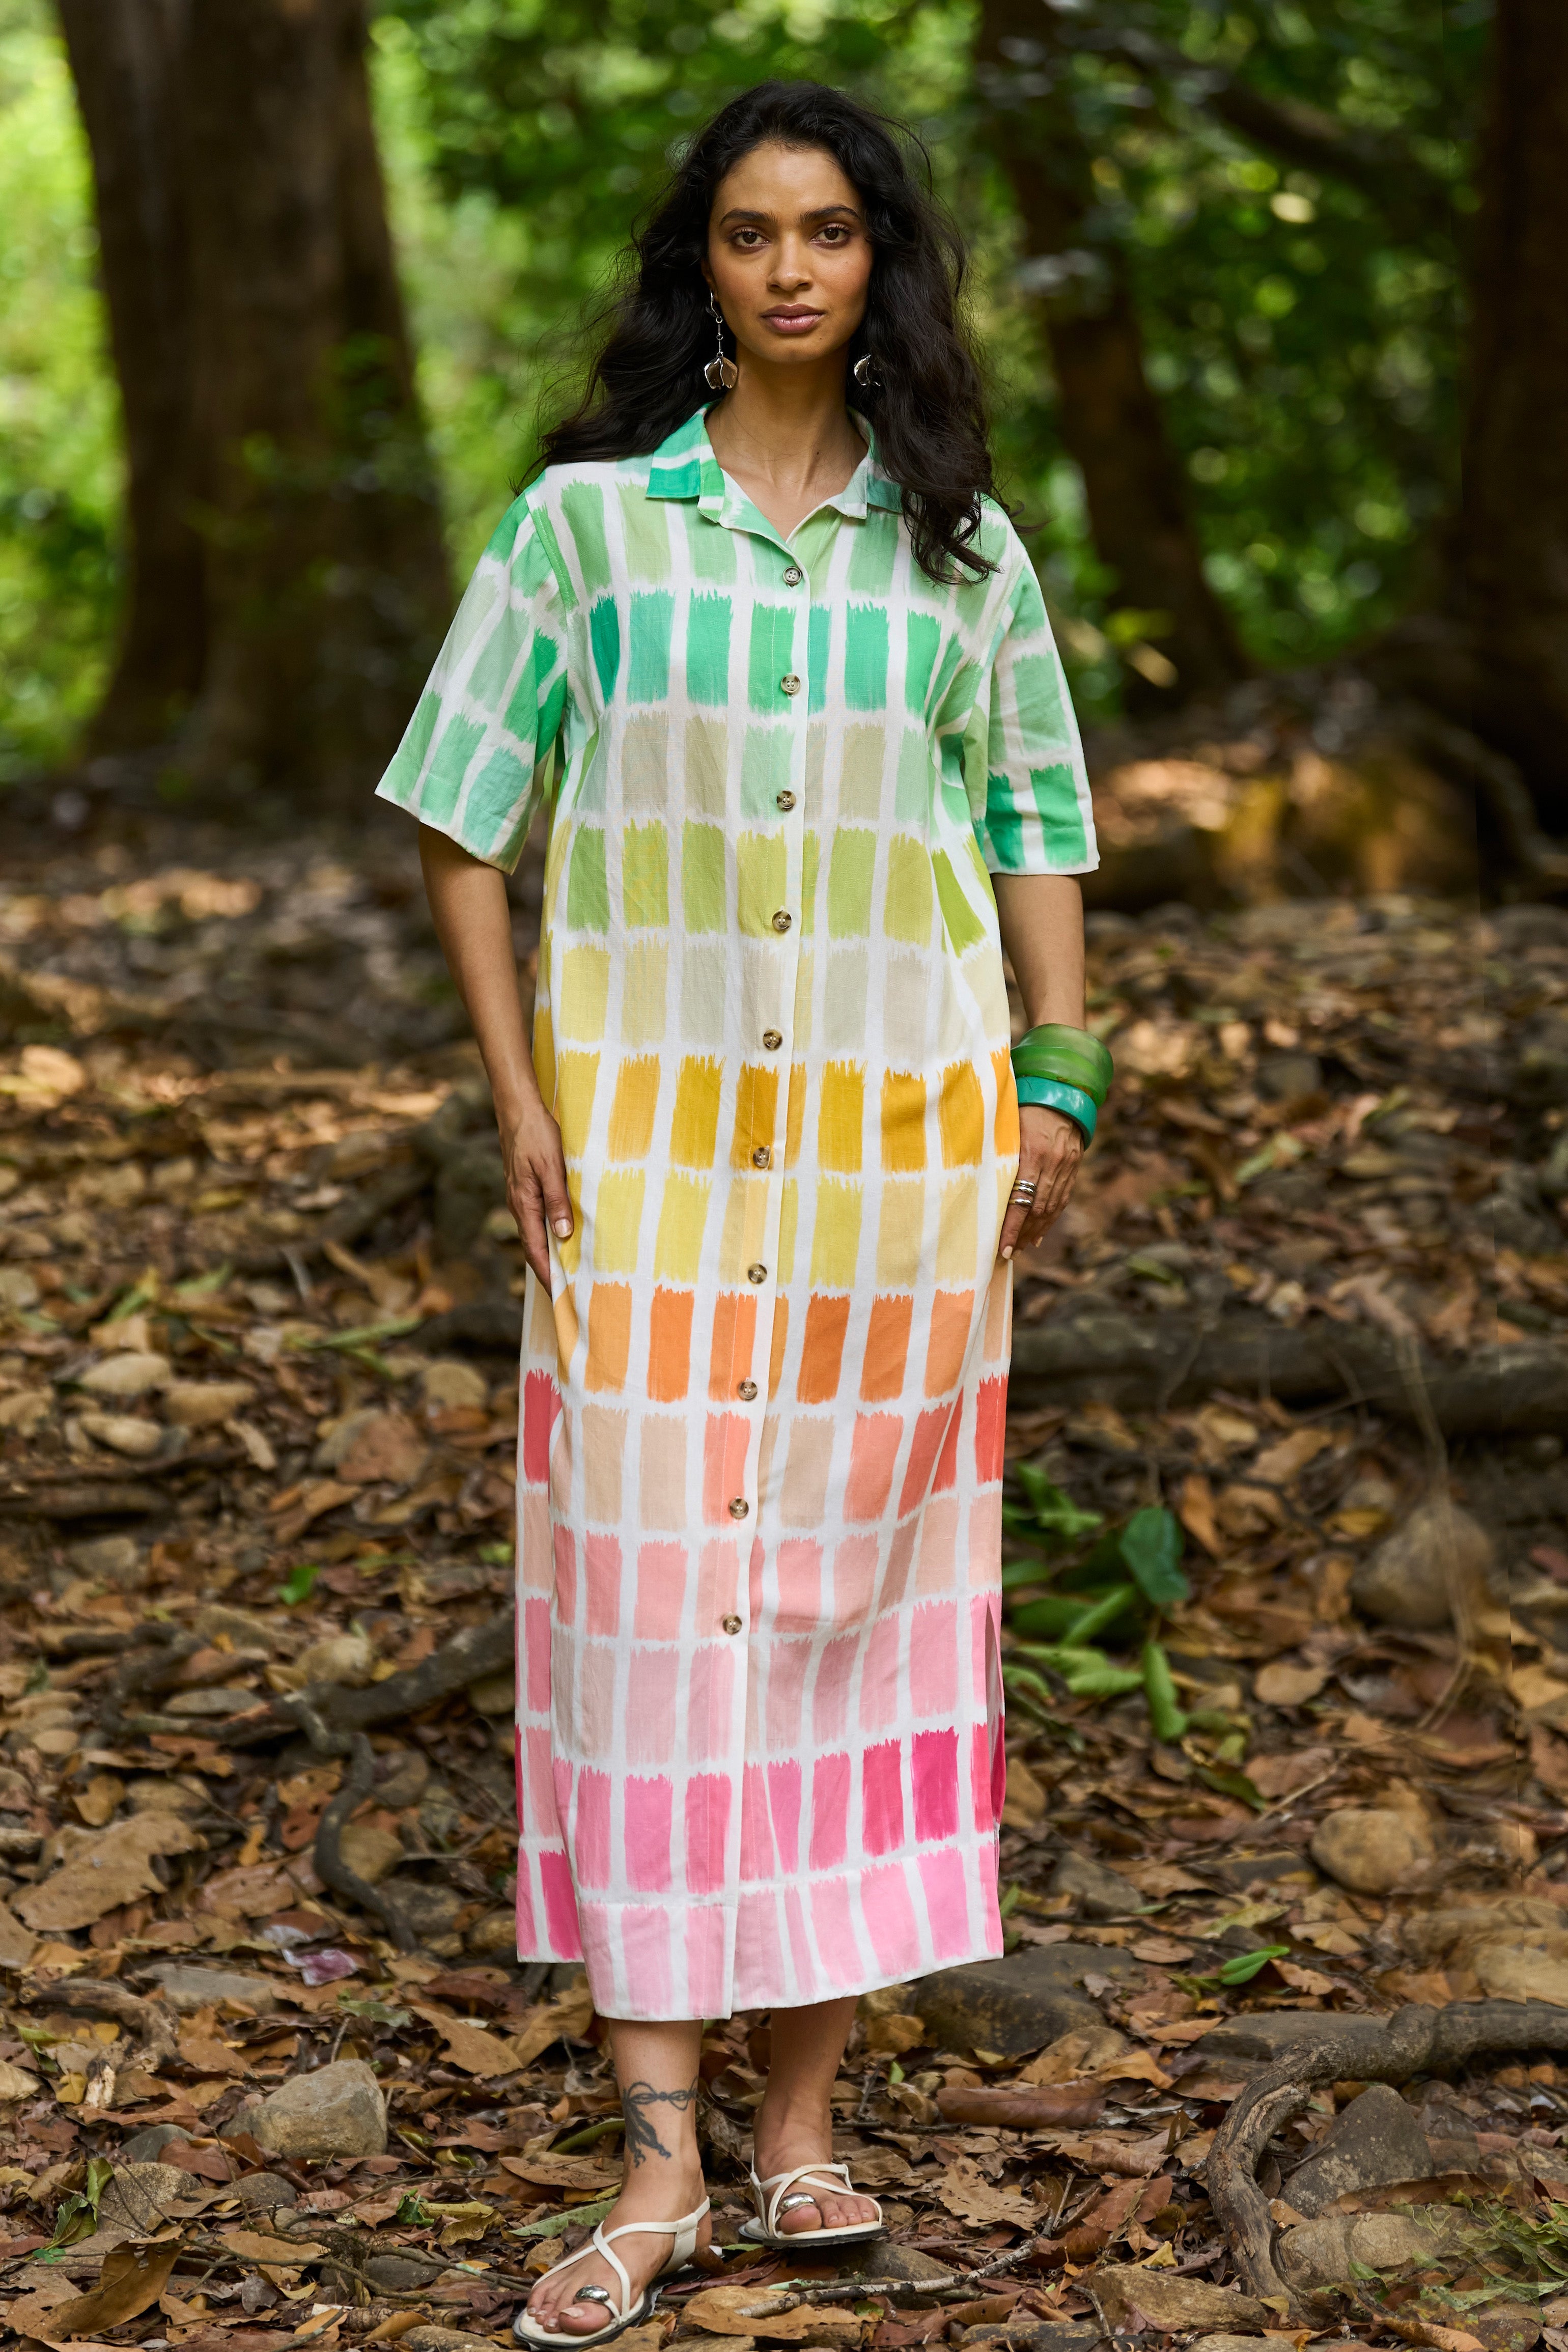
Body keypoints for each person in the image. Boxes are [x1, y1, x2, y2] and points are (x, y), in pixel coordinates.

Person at [375, 77, 1104, 2348]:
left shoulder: (959, 550)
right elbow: (461, 820)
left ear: (881, 264)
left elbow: (1033, 819)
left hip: (899, 1177)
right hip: (647, 1181)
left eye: (829, 231)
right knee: (643, 1621)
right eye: (749, 231)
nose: (790, 267)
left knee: (851, 1619)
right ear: (698, 264)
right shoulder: (586, 534)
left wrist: (1060, 1075)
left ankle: (799, 2130)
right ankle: (657, 2153)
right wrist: (518, 1098)